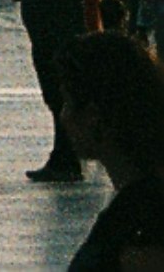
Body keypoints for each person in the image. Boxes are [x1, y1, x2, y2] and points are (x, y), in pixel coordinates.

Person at [57, 32, 164, 272]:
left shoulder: (143, 221)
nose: (64, 117)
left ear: (94, 117)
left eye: (68, 102)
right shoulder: (139, 207)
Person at [17, 0, 100, 181]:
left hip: (65, 38)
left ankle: (68, 159)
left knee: (66, 99)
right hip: (41, 40)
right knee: (53, 99)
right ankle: (63, 156)